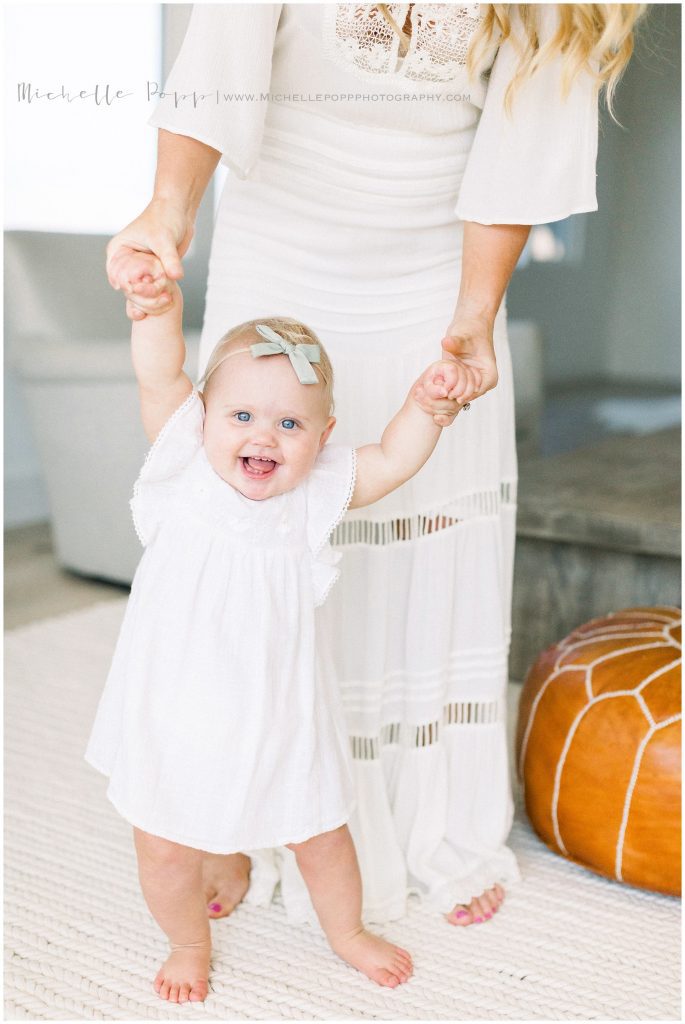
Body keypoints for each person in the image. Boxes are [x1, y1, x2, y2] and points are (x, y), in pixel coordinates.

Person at [106, 4, 646, 930]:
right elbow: (219, 67)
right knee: (261, 521)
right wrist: (167, 210)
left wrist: (473, 317)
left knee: (421, 507)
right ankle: (244, 817)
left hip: (438, 264)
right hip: (279, 234)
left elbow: (518, 152)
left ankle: (426, 817)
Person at [85, 251, 472, 1001]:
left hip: (278, 712)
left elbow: (391, 461)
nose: (264, 437)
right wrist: (156, 308)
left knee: (320, 834)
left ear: (321, 436)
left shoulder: (312, 495)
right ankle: (188, 941)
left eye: (289, 423)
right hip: (172, 712)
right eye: (241, 416)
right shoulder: (185, 469)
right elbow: (160, 377)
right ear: (204, 418)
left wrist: (427, 406)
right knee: (167, 845)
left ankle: (347, 932)